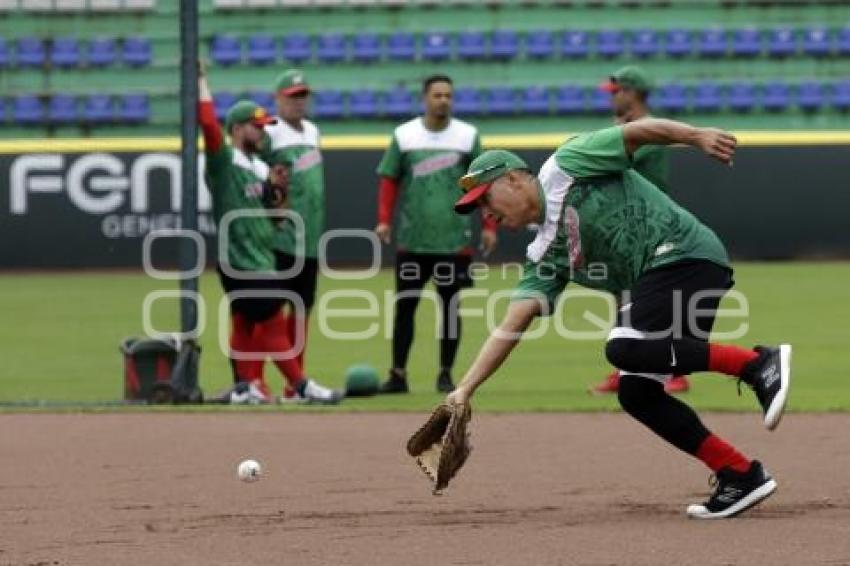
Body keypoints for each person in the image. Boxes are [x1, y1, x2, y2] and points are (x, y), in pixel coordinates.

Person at [444, 118, 792, 519]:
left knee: (624, 347)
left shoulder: (567, 166)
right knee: (638, 393)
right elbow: (511, 324)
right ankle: (739, 474)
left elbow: (636, 133)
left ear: (515, 179)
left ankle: (757, 364)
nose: (486, 214)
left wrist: (695, 137)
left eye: (487, 200)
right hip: (668, 279)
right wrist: (464, 389)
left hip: (684, 253)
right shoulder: (544, 254)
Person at [198, 65, 342, 405]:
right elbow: (206, 123)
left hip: (260, 255)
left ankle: (245, 387)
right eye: (256, 126)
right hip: (240, 258)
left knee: (248, 324)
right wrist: (199, 81)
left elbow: (275, 216)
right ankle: (302, 386)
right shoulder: (224, 159)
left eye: (264, 126)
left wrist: (279, 196)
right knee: (274, 322)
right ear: (237, 128)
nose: (262, 132)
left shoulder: (260, 167)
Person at [374, 74, 497, 394]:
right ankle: (398, 374)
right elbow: (389, 180)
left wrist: (488, 225)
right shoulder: (405, 135)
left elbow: (483, 185)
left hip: (453, 241)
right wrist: (384, 220)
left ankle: (445, 373)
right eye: (437, 95)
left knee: (451, 309)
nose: (443, 100)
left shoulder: (467, 136)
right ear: (424, 98)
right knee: (405, 308)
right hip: (413, 240)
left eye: (448, 95)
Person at [592, 65, 689, 394]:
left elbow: (613, 162)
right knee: (622, 296)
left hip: (649, 226)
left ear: (631, 93)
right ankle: (624, 369)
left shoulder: (646, 130)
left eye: (616, 91)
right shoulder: (626, 129)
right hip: (625, 225)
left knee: (652, 299)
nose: (612, 97)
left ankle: (673, 372)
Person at [260, 69, 326, 402]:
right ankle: (255, 382)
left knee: (301, 310)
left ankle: (294, 386)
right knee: (265, 311)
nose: (299, 102)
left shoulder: (313, 131)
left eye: (303, 95)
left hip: (310, 237)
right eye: (292, 95)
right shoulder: (270, 133)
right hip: (279, 238)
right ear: (278, 98)